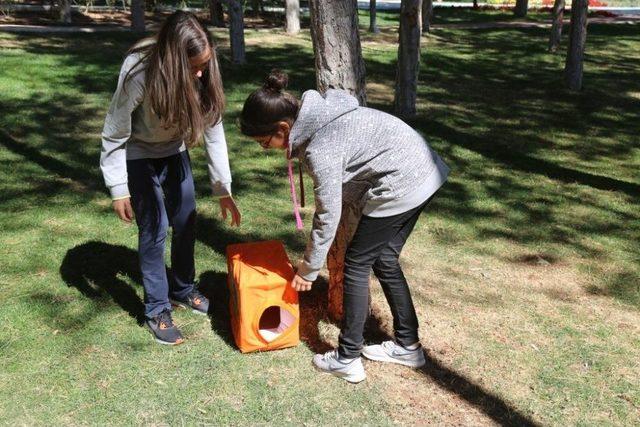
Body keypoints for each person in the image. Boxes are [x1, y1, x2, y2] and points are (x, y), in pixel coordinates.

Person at [239, 71, 449, 383]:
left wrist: (308, 269)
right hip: (425, 171)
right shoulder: (324, 116)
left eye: (263, 140)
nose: (263, 148)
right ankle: (408, 346)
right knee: (384, 258)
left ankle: (347, 357)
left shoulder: (321, 146)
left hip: (404, 181)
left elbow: (327, 215)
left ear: (283, 128)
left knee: (356, 263)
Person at [100, 11, 241, 346]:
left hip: (174, 150)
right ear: (173, 61)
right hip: (138, 151)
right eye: (193, 66)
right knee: (155, 228)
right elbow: (115, 131)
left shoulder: (204, 75)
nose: (200, 72)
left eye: (204, 64)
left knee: (186, 218)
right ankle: (157, 308)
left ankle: (182, 288)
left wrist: (223, 189)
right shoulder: (138, 73)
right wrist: (118, 187)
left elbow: (214, 132)